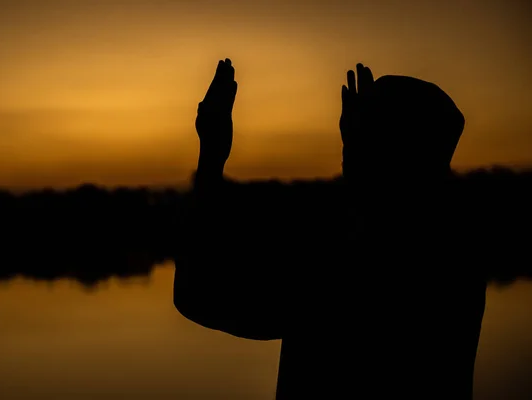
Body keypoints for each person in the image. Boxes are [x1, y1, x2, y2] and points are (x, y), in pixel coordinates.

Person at [173, 59, 486, 399]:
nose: (346, 134)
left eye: (362, 130)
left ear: (387, 150)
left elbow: (198, 294)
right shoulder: (457, 258)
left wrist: (211, 154)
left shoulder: (346, 263)